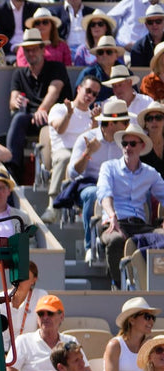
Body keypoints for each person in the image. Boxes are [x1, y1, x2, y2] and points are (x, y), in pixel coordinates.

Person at [98, 123, 164, 287]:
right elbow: (104, 193)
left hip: (139, 225)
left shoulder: (151, 173)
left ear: (141, 146)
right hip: (114, 222)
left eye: (132, 144)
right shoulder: (109, 167)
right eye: (124, 143)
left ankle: (155, 285)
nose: (128, 147)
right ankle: (118, 286)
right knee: (115, 241)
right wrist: (112, 215)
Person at [8, 28, 73, 181]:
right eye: (27, 50)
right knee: (18, 118)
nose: (31, 53)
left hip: (57, 118)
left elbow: (54, 91)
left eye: (34, 49)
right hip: (31, 118)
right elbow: (12, 101)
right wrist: (16, 101)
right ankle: (12, 169)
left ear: (43, 49)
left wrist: (43, 109)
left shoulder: (57, 67)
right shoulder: (19, 73)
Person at [68, 98, 127, 262]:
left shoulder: (126, 142)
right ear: (111, 124)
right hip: (89, 185)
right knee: (95, 194)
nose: (128, 125)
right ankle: (90, 246)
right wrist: (87, 153)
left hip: (116, 188)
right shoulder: (86, 138)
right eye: (125, 122)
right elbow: (72, 173)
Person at [5, 295, 81, 371]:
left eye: (50, 313)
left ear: (61, 316)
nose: (45, 318)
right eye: (41, 314)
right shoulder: (23, 341)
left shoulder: (70, 341)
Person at [44, 76, 101, 215]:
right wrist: (69, 114)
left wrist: (94, 121)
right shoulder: (59, 108)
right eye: (88, 91)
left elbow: (91, 140)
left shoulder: (92, 115)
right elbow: (59, 129)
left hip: (82, 153)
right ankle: (53, 205)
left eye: (94, 94)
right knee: (67, 158)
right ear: (79, 88)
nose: (90, 96)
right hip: (62, 151)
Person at [105, 297, 159, 371]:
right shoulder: (115, 345)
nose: (151, 322)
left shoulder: (150, 346)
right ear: (132, 320)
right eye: (147, 317)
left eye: (153, 318)